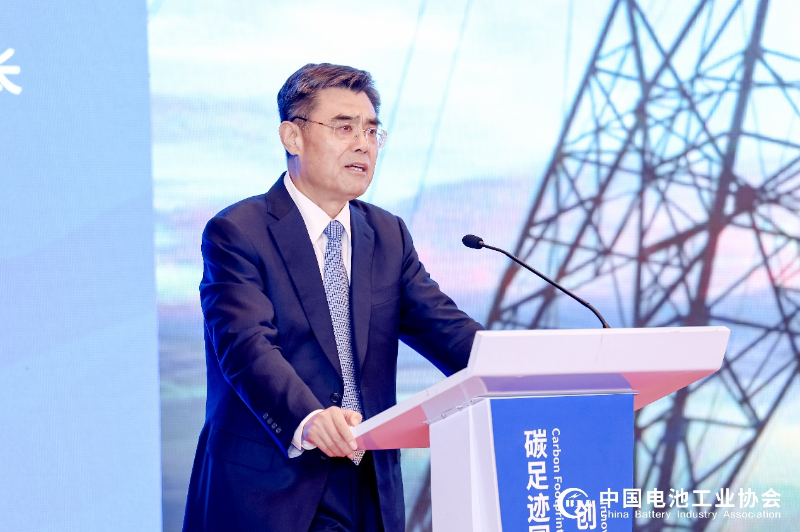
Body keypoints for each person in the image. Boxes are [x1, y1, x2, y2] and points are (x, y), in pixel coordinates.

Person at [182, 63, 483, 532]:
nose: (363, 143)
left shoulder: (386, 234)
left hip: (369, 486)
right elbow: (246, 348)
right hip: (273, 487)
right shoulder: (238, 231)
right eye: (344, 128)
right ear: (292, 137)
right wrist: (309, 418)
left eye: (371, 131)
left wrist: (524, 367)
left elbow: (448, 331)